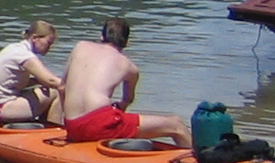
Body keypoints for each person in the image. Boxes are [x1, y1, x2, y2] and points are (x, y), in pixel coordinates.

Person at [59, 18, 191, 146]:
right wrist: (120, 106)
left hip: (72, 124)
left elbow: (62, 87)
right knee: (176, 125)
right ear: (127, 42)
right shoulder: (129, 67)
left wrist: (68, 120)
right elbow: (127, 100)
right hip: (99, 124)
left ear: (101, 37)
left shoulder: (80, 47)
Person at [0, 20, 62, 124]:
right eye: (48, 42)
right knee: (56, 91)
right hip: (1, 109)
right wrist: (74, 86)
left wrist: (38, 81)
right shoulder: (24, 55)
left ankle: (44, 124)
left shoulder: (14, 48)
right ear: (34, 38)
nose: (50, 47)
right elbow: (51, 80)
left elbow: (12, 82)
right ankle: (54, 128)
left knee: (47, 87)